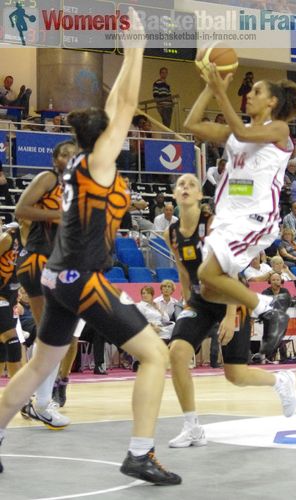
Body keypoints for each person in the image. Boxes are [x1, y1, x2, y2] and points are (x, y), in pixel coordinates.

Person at [0, 10, 181, 485]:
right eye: (117, 130)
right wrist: (136, 46)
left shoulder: (81, 161)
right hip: (81, 277)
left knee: (42, 362)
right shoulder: (98, 163)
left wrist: (129, 56)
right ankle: (140, 453)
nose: (123, 130)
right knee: (154, 356)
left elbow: (119, 102)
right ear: (106, 137)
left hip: (58, 278)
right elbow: (123, 104)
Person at [165, 174, 296, 448]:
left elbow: (230, 268)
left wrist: (229, 314)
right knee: (177, 353)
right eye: (181, 185)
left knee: (235, 375)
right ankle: (192, 427)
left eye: (191, 184)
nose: (186, 188)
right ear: (175, 196)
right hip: (201, 302)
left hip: (230, 298)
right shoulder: (171, 233)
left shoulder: (213, 225)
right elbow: (182, 271)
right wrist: (188, 303)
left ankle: (281, 381)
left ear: (201, 196)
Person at [184, 63, 296, 355]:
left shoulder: (279, 129)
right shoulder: (237, 133)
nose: (249, 95)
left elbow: (240, 130)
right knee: (210, 287)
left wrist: (222, 95)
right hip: (228, 219)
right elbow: (192, 124)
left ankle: (269, 309)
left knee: (208, 274)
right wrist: (210, 90)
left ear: (272, 102)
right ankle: (268, 307)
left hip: (256, 217)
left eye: (256, 91)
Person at [15, 140, 75, 429]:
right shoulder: (48, 178)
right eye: (64, 154)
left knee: (52, 337)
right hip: (39, 261)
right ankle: (41, 404)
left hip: (54, 263)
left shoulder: (74, 188)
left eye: (74, 155)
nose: (69, 158)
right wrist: (56, 215)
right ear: (55, 158)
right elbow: (20, 210)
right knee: (53, 338)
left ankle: (34, 400)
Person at [0, 222, 22, 380]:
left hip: (12, 293)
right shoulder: (8, 237)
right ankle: (20, 395)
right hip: (1, 293)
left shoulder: (37, 239)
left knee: (3, 345)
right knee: (11, 339)